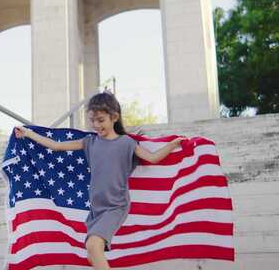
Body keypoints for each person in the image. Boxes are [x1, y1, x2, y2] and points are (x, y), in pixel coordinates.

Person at [14, 92, 187, 270]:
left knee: (93, 246)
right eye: (92, 120)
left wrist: (172, 145)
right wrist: (28, 133)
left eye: (101, 120)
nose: (96, 125)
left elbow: (152, 158)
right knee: (91, 253)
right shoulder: (90, 142)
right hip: (96, 209)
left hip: (115, 206)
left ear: (114, 117)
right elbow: (56, 145)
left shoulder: (127, 143)